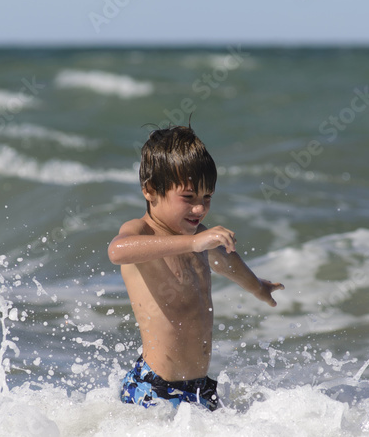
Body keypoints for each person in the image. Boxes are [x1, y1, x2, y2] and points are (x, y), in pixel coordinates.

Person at [108, 126, 283, 411]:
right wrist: (193, 243)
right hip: (155, 391)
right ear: (150, 191)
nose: (200, 209)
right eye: (188, 198)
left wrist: (258, 287)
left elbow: (228, 264)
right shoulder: (144, 231)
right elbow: (117, 251)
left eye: (207, 198)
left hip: (199, 390)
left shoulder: (199, 238)